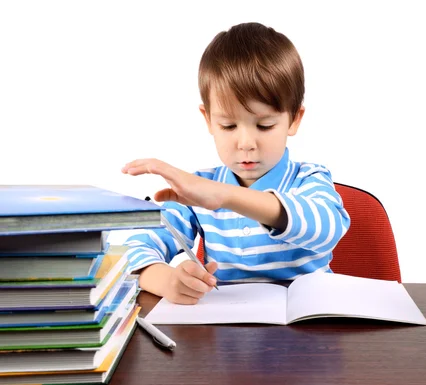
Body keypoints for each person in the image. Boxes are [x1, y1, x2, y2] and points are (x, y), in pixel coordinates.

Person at [121, 22, 350, 304]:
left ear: (294, 119)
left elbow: (327, 228)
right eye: (228, 126)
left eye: (265, 125)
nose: (246, 143)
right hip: (228, 336)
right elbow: (131, 248)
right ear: (208, 120)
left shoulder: (309, 178)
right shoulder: (198, 188)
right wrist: (166, 280)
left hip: (310, 333)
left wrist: (225, 196)